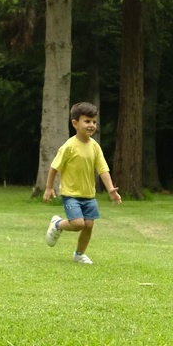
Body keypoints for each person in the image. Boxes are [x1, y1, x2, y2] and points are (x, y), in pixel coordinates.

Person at [43, 102, 122, 264]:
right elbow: (54, 168)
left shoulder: (95, 147)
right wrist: (49, 188)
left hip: (88, 195)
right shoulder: (69, 147)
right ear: (75, 123)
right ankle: (58, 224)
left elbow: (103, 170)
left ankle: (79, 254)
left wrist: (111, 190)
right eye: (87, 121)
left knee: (89, 225)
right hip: (70, 194)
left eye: (94, 121)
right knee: (78, 223)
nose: (91, 125)